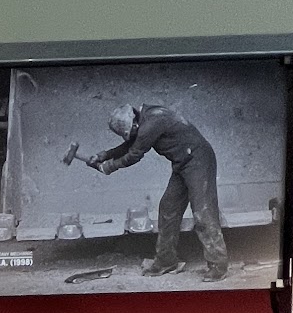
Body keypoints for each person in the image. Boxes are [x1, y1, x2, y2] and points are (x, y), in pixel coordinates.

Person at [94, 103, 229, 281]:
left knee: (203, 212)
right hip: (183, 163)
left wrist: (109, 167)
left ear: (134, 124)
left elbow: (134, 154)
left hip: (199, 161)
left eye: (129, 132)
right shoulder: (146, 117)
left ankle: (218, 265)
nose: (131, 135)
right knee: (168, 208)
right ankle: (167, 260)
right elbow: (133, 143)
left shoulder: (151, 123)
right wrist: (104, 155)